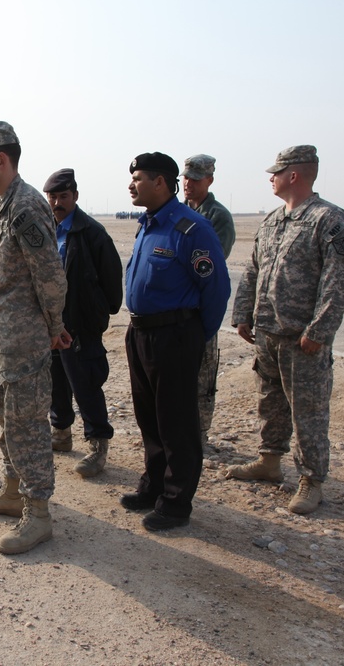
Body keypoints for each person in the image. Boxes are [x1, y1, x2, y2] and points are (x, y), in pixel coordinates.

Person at [226, 145, 344, 515]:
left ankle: (311, 480)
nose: (271, 178)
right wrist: (242, 314)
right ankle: (269, 461)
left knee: (308, 412)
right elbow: (253, 269)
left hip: (302, 339)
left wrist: (320, 330)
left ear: (294, 175)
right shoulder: (271, 220)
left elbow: (338, 281)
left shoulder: (329, 220)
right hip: (268, 332)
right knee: (270, 401)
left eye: (277, 172)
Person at [0, 122, 69, 555]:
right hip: (2, 337)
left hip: (23, 341)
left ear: (1, 159)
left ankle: (38, 514)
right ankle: (11, 491)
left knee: (27, 426)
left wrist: (55, 327)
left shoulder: (26, 206)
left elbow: (51, 277)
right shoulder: (4, 207)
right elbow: (12, 267)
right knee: (9, 420)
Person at [120, 152, 230, 531]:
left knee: (176, 423)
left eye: (138, 178)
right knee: (149, 418)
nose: (131, 185)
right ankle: (153, 486)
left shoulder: (190, 228)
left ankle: (176, 501)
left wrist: (194, 338)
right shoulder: (148, 225)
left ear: (160, 183)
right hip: (141, 334)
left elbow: (215, 289)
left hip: (175, 337)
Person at [42, 168, 123, 477]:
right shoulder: (45, 230)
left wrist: (96, 313)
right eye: (53, 197)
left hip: (80, 325)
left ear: (75, 196)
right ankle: (61, 433)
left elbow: (111, 283)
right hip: (51, 324)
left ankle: (98, 445)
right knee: (55, 383)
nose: (57, 202)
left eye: (63, 196)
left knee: (85, 385)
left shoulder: (92, 233)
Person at [181, 154, 236, 447]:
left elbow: (211, 266)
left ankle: (199, 434)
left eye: (195, 179)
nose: (188, 183)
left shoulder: (217, 216)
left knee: (202, 377)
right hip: (177, 311)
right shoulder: (177, 211)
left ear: (209, 181)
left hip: (200, 309)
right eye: (185, 178)